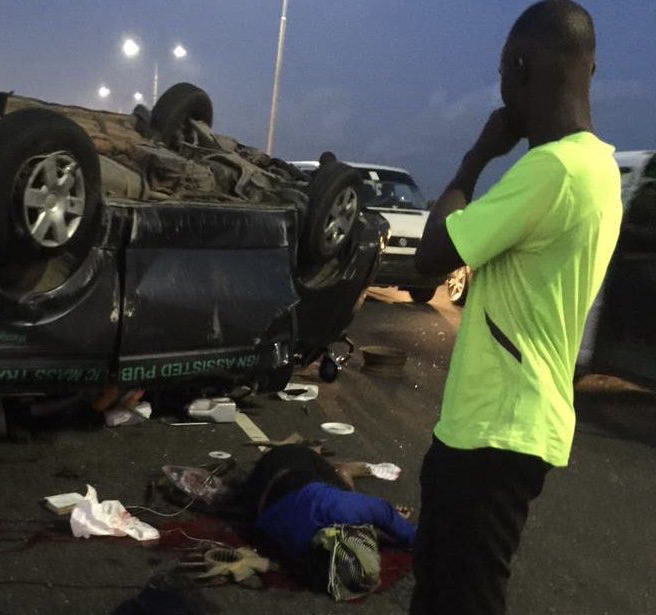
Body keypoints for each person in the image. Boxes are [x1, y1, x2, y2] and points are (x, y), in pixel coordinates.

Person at [411, 2, 622, 613]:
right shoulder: (599, 169)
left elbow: (432, 254)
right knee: (451, 588)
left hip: (493, 435)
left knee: (461, 597)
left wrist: (476, 156)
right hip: (517, 428)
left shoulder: (550, 172)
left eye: (505, 73)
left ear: (520, 68)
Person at [242, 444, 415, 601]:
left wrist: (398, 526)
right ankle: (343, 471)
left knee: (345, 495)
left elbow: (385, 514)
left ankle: (342, 471)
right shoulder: (298, 549)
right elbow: (387, 516)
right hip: (260, 492)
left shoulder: (340, 509)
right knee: (343, 493)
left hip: (285, 463)